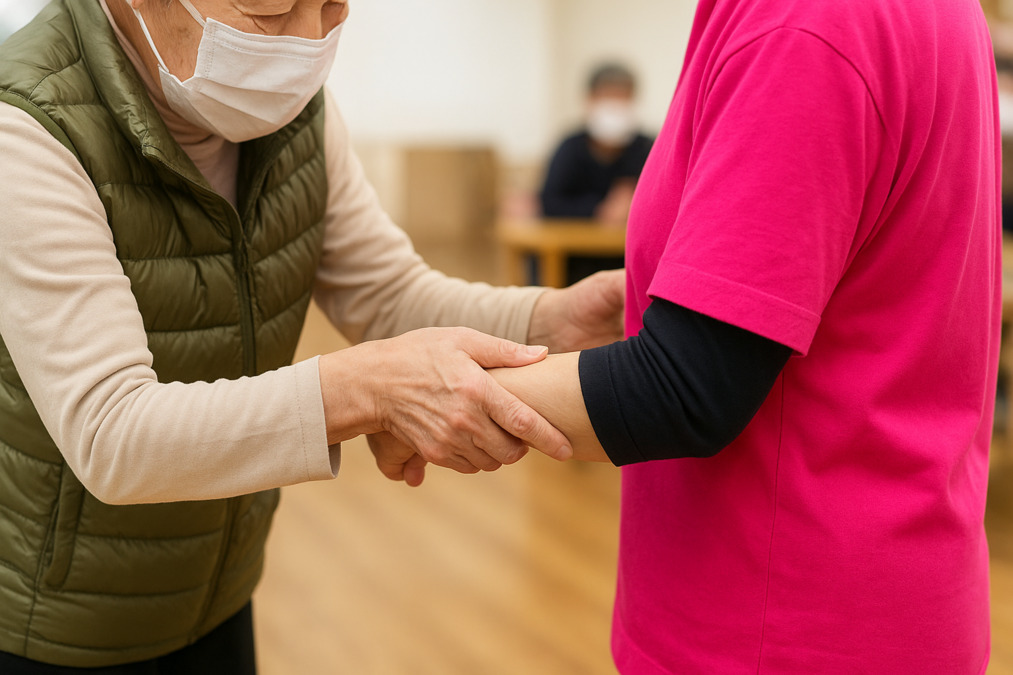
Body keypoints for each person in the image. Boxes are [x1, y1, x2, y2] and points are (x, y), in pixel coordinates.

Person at [0, 0, 625, 672]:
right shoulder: (27, 125)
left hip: (217, 590)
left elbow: (386, 293)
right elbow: (113, 432)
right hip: (55, 625)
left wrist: (549, 320)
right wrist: (365, 390)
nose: (305, 41)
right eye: (272, 10)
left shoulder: (290, 108)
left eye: (329, 5)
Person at [378, 0, 1001, 671]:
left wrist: (420, 392)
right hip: (887, 592)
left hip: (785, 624)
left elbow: (686, 385)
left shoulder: (806, 24)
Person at [537, 63, 653, 285]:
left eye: (623, 99)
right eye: (608, 99)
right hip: (573, 263)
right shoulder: (570, 147)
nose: (615, 109)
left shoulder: (649, 148)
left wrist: (634, 209)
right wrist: (599, 210)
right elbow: (549, 203)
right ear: (590, 100)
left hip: (628, 264)